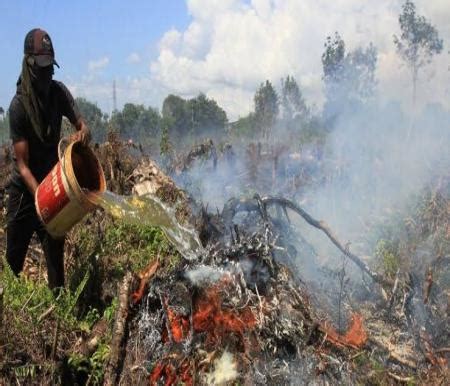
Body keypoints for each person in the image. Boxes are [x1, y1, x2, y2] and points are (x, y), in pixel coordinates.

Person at [6, 28, 91, 290]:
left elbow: (83, 126)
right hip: (25, 193)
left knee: (55, 260)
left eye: (50, 67)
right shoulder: (18, 107)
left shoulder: (59, 92)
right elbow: (22, 164)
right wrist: (41, 197)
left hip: (54, 186)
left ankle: (60, 311)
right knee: (13, 265)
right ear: (29, 65)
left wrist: (81, 135)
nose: (48, 73)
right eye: (42, 68)